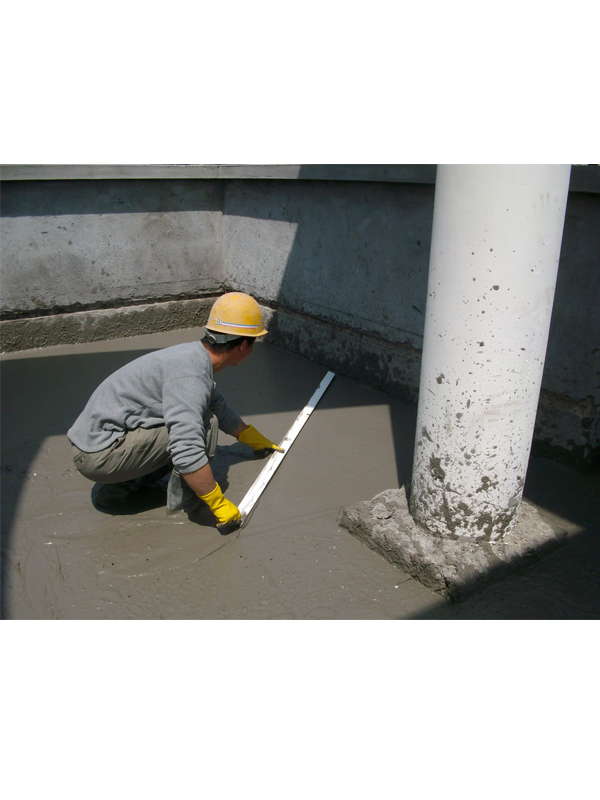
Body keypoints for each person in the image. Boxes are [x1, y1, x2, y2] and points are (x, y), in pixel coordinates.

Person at [67, 292, 283, 525]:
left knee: (199, 418)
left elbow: (215, 402)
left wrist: (250, 437)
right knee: (205, 425)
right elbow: (186, 447)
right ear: (242, 346)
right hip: (98, 455)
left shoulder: (192, 356)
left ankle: (118, 488)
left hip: (94, 441)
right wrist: (215, 501)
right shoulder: (190, 375)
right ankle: (188, 504)